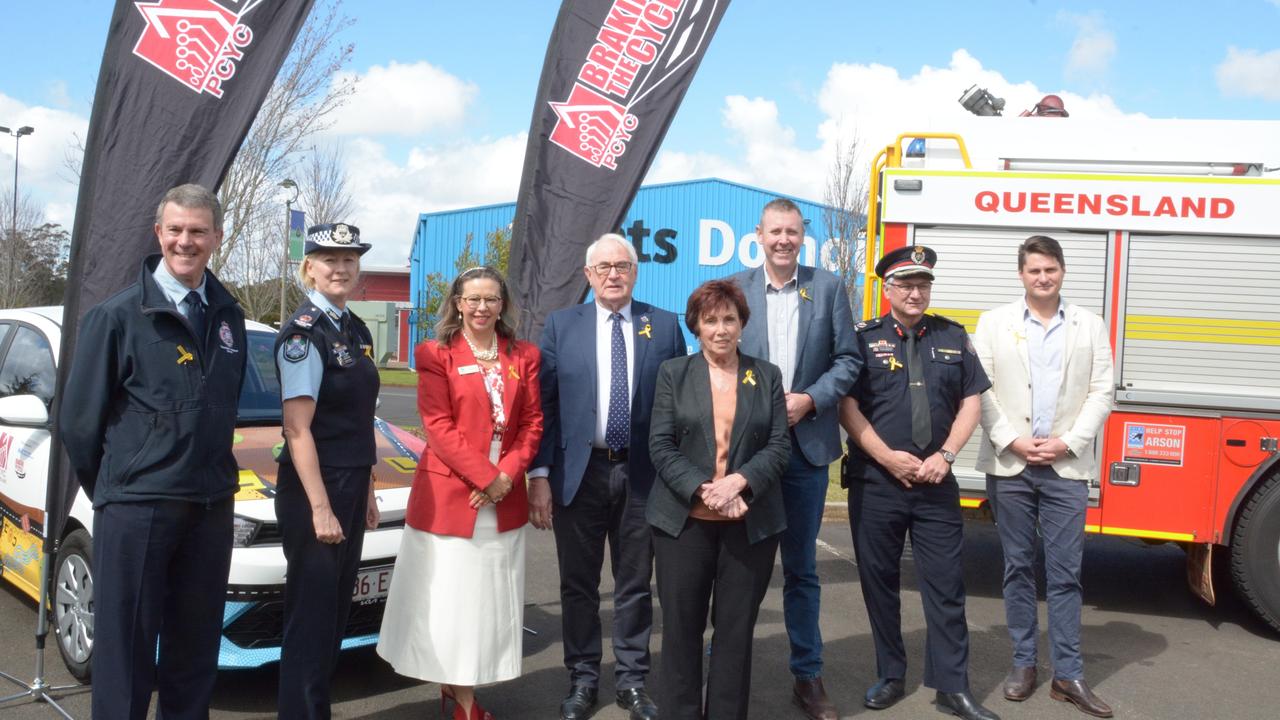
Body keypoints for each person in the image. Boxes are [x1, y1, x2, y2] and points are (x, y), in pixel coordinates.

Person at [60, 183, 247, 719]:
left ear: (216, 236)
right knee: (126, 657)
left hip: (210, 507)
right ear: (158, 233)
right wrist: (119, 487)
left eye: (198, 231)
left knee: (194, 653)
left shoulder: (228, 315)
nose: (185, 241)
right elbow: (78, 423)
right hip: (138, 508)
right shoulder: (117, 317)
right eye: (176, 230)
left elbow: (223, 405)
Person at [839, 246, 999, 720]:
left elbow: (972, 400)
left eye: (923, 284)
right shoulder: (862, 338)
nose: (915, 292)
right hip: (877, 481)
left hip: (936, 483)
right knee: (880, 583)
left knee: (946, 586)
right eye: (906, 284)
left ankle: (953, 687)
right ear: (887, 289)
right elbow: (847, 406)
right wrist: (888, 457)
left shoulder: (952, 335)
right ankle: (890, 674)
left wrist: (946, 455)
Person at [530, 233, 684, 720]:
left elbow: (678, 406)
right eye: (604, 267)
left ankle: (632, 681)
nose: (614, 274)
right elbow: (544, 406)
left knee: (636, 583)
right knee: (578, 585)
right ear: (588, 275)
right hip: (580, 473)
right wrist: (539, 474)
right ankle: (582, 678)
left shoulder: (662, 325)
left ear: (635, 271)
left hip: (643, 475)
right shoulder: (561, 325)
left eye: (622, 265)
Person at [377, 266, 542, 720]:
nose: (482, 308)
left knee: (487, 605)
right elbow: (438, 426)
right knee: (453, 603)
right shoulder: (435, 353)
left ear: (503, 304)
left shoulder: (524, 355)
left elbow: (532, 424)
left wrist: (505, 476)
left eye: (491, 299)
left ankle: (460, 689)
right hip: (453, 495)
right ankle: (463, 701)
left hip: (503, 497)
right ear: (457, 303)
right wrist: (485, 479)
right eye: (473, 299)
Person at [728, 197, 859, 720]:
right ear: (758, 234)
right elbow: (717, 357)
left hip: (807, 450)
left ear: (804, 235)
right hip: (748, 452)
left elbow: (850, 359)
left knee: (802, 570)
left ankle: (808, 675)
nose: (784, 239)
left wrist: (811, 399)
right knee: (739, 567)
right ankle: (728, 666)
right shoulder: (735, 289)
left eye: (793, 231)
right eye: (775, 230)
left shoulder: (827, 288)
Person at [973, 236, 1115, 718]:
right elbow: (981, 390)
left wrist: (1069, 442)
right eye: (1034, 270)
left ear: (1063, 271)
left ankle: (1069, 675)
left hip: (1065, 467)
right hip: (1011, 465)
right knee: (1015, 568)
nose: (1043, 277)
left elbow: (1102, 392)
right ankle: (1023, 664)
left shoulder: (1090, 326)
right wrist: (1011, 439)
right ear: (1021, 274)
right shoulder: (993, 324)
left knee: (1065, 574)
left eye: (1051, 269)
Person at [647, 279, 791, 720]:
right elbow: (660, 445)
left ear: (742, 324)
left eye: (729, 319)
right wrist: (707, 489)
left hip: (749, 526)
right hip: (683, 525)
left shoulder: (766, 375)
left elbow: (779, 446)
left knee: (734, 634)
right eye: (711, 320)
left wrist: (739, 482)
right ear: (696, 326)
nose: (721, 329)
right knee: (681, 632)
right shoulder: (674, 373)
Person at [273, 223, 381, 719]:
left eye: (349, 259)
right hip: (316, 489)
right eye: (328, 259)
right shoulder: (303, 333)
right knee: (312, 616)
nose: (340, 268)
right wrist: (321, 507)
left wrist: (368, 490)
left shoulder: (352, 328)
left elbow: (357, 417)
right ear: (308, 267)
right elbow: (298, 429)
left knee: (335, 613)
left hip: (350, 481)